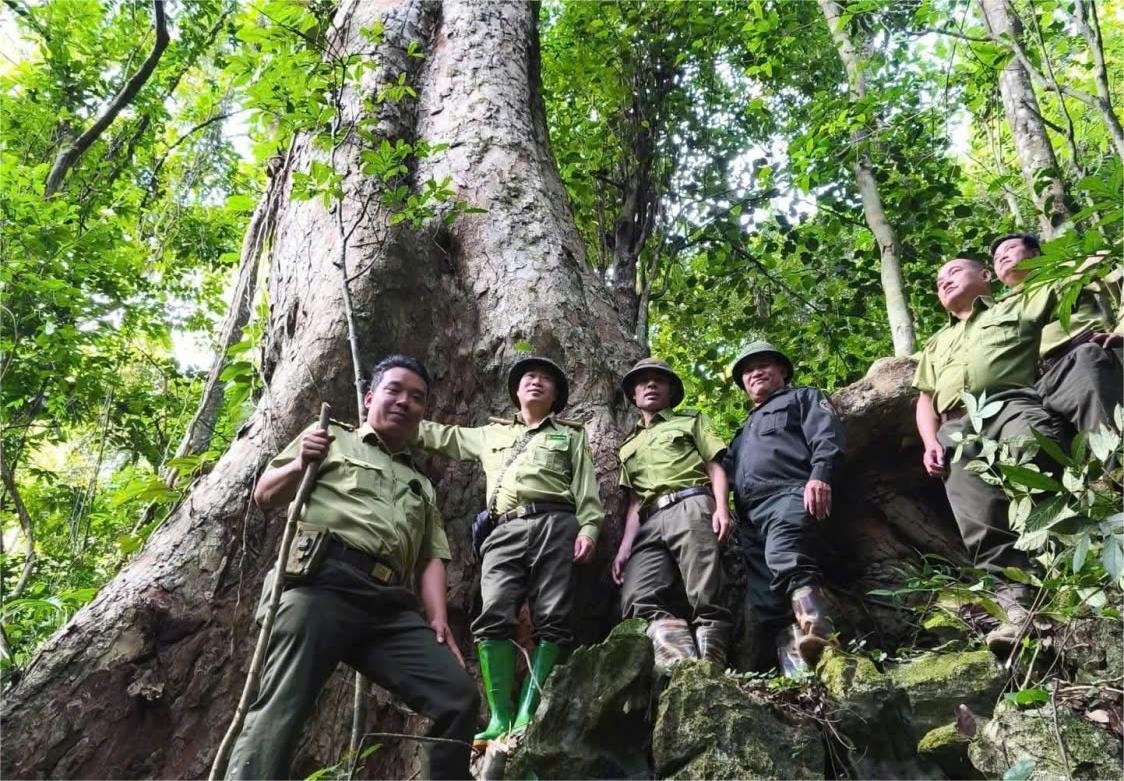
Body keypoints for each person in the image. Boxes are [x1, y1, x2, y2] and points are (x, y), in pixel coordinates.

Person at [226, 355, 478, 780]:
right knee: (282, 705)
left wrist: (437, 617)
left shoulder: (422, 484)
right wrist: (299, 463)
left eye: (417, 398)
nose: (404, 402)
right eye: (394, 390)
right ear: (370, 397)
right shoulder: (332, 438)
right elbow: (266, 495)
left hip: (386, 606)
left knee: (457, 696)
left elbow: (431, 556)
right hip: (320, 584)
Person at [414, 356, 603, 748]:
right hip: (504, 530)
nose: (536, 383)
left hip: (557, 522)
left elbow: (587, 489)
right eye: (529, 377)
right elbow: (441, 436)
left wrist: (589, 528)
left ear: (556, 397)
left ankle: (528, 713)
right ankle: (500, 716)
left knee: (554, 617)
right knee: (493, 612)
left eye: (546, 380)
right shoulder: (489, 434)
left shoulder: (570, 436)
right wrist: (390, 417)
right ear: (516, 391)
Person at [913, 258, 1070, 653]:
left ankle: (1065, 570)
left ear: (986, 276)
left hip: (1011, 403)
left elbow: (1073, 276)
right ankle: (1017, 611)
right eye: (938, 280)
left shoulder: (1017, 305)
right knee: (978, 519)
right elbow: (925, 400)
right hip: (955, 427)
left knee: (1033, 456)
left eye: (952, 272)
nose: (943, 281)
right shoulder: (935, 343)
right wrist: (931, 441)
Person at [723, 342, 845, 676]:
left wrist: (820, 476)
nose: (755, 373)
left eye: (764, 365)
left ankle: (820, 635)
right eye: (748, 371)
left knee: (787, 555)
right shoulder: (741, 432)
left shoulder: (802, 398)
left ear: (782, 372)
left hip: (790, 493)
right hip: (750, 517)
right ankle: (800, 675)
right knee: (766, 595)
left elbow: (827, 437)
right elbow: (722, 475)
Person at [611, 358, 733, 670]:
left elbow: (714, 465)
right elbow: (636, 501)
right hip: (650, 522)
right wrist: (625, 548)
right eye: (643, 382)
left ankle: (711, 667)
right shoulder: (628, 447)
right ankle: (679, 662)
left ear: (670, 391)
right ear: (634, 395)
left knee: (705, 585)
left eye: (658, 380)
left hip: (691, 503)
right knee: (637, 593)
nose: (650, 385)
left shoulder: (690, 421)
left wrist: (722, 508)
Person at [990, 233, 1122, 437]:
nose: (1001, 257)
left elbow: (1117, 272)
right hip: (1035, 387)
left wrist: (1121, 329)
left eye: (1009, 249)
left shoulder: (1067, 274)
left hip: (1077, 359)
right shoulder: (997, 309)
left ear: (1035, 253)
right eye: (996, 258)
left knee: (1108, 437)